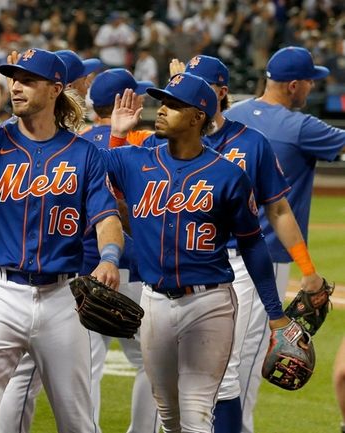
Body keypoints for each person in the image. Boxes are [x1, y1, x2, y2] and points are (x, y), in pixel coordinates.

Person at [0, 44, 123, 432]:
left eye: (28, 81)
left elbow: (106, 217)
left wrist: (110, 257)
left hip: (61, 300)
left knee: (78, 420)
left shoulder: (84, 154)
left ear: (54, 89)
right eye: (14, 79)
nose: (16, 88)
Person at [107, 73, 292, 433]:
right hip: (154, 301)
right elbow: (97, 172)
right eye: (163, 102)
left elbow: (253, 243)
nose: (161, 111)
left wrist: (275, 313)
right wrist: (117, 132)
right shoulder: (136, 161)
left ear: (197, 118)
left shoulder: (228, 175)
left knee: (196, 413)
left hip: (209, 304)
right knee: (169, 414)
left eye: (173, 105)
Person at [174, 54, 325, 433]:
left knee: (232, 368)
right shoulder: (172, 143)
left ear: (221, 93)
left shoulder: (249, 140)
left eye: (200, 88)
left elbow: (279, 210)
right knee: (182, 373)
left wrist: (307, 270)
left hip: (244, 262)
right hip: (187, 266)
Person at [224, 46, 345, 433]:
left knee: (216, 352)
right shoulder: (300, 126)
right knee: (249, 356)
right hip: (266, 257)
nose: (312, 86)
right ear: (293, 85)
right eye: (310, 80)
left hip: (217, 252)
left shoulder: (231, 116)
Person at [79, 67, 160, 433]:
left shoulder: (73, 139)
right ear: (122, 101)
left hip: (80, 266)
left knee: (85, 364)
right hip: (131, 265)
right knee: (151, 363)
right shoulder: (142, 140)